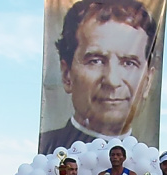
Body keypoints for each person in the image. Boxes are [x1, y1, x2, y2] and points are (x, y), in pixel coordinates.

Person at [39, 0, 158, 154]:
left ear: (148, 81)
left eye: (129, 63)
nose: (112, 81)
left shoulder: (152, 164)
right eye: (95, 61)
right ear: (67, 74)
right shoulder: (47, 154)